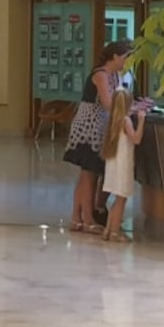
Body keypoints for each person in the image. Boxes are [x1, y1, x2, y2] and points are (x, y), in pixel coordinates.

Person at [63, 41, 129, 232]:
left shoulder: (114, 75)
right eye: (125, 57)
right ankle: (88, 219)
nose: (126, 62)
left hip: (99, 128)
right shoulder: (100, 75)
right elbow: (108, 102)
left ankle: (76, 218)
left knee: (87, 174)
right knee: (89, 174)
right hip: (88, 129)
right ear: (115, 56)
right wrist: (127, 109)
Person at [100, 86, 148, 242]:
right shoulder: (126, 121)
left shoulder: (113, 119)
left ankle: (108, 229)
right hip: (123, 165)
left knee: (116, 199)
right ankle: (115, 232)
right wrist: (141, 121)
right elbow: (136, 139)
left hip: (113, 164)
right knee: (121, 199)